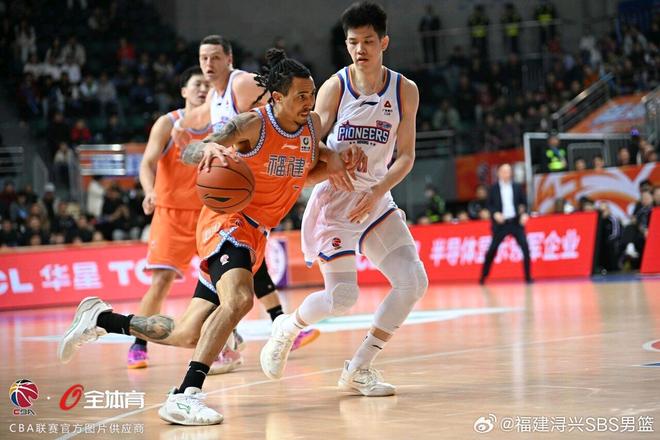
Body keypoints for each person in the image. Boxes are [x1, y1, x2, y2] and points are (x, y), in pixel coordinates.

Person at [58, 50, 364, 425]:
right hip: (227, 222)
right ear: (278, 97)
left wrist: (335, 163)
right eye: (301, 95)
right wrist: (207, 146)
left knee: (187, 334)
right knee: (239, 300)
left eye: (312, 94)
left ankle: (102, 319)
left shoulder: (311, 126)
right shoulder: (252, 124)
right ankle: (185, 395)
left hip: (256, 234)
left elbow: (303, 171)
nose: (309, 102)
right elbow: (192, 151)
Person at [260, 2, 428, 398]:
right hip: (335, 201)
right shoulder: (336, 86)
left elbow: (406, 156)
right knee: (342, 297)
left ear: (384, 42)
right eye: (353, 42)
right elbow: (309, 141)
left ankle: (359, 368)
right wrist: (332, 158)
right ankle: (287, 326)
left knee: (412, 281)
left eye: (368, 41)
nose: (359, 49)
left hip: (376, 198)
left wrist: (378, 189)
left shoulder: (404, 90)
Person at [174, 35, 322, 364]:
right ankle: (269, 327)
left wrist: (314, 155)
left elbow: (279, 113)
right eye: (203, 58)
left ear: (229, 59)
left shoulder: (240, 84)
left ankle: (239, 333)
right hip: (230, 202)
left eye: (215, 57)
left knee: (200, 319)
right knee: (240, 283)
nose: (208, 64)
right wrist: (185, 131)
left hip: (253, 195)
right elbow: (197, 142)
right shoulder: (214, 98)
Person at [126, 66, 212, 369]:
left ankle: (221, 341)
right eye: (197, 84)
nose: (203, 89)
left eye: (207, 84)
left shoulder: (221, 124)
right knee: (161, 281)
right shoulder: (167, 122)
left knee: (222, 282)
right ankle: (139, 343)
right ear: (184, 91)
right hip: (171, 213)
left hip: (208, 214)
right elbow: (147, 163)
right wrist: (149, 191)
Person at [479, 163, 532, 284]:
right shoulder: (494, 188)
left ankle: (528, 277)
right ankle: (483, 276)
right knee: (492, 250)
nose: (506, 174)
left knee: (525, 248)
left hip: (515, 222)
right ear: (499, 173)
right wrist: (495, 214)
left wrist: (524, 214)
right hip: (501, 224)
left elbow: (524, 203)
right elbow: (489, 205)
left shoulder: (517, 187)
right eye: (504, 171)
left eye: (508, 171)